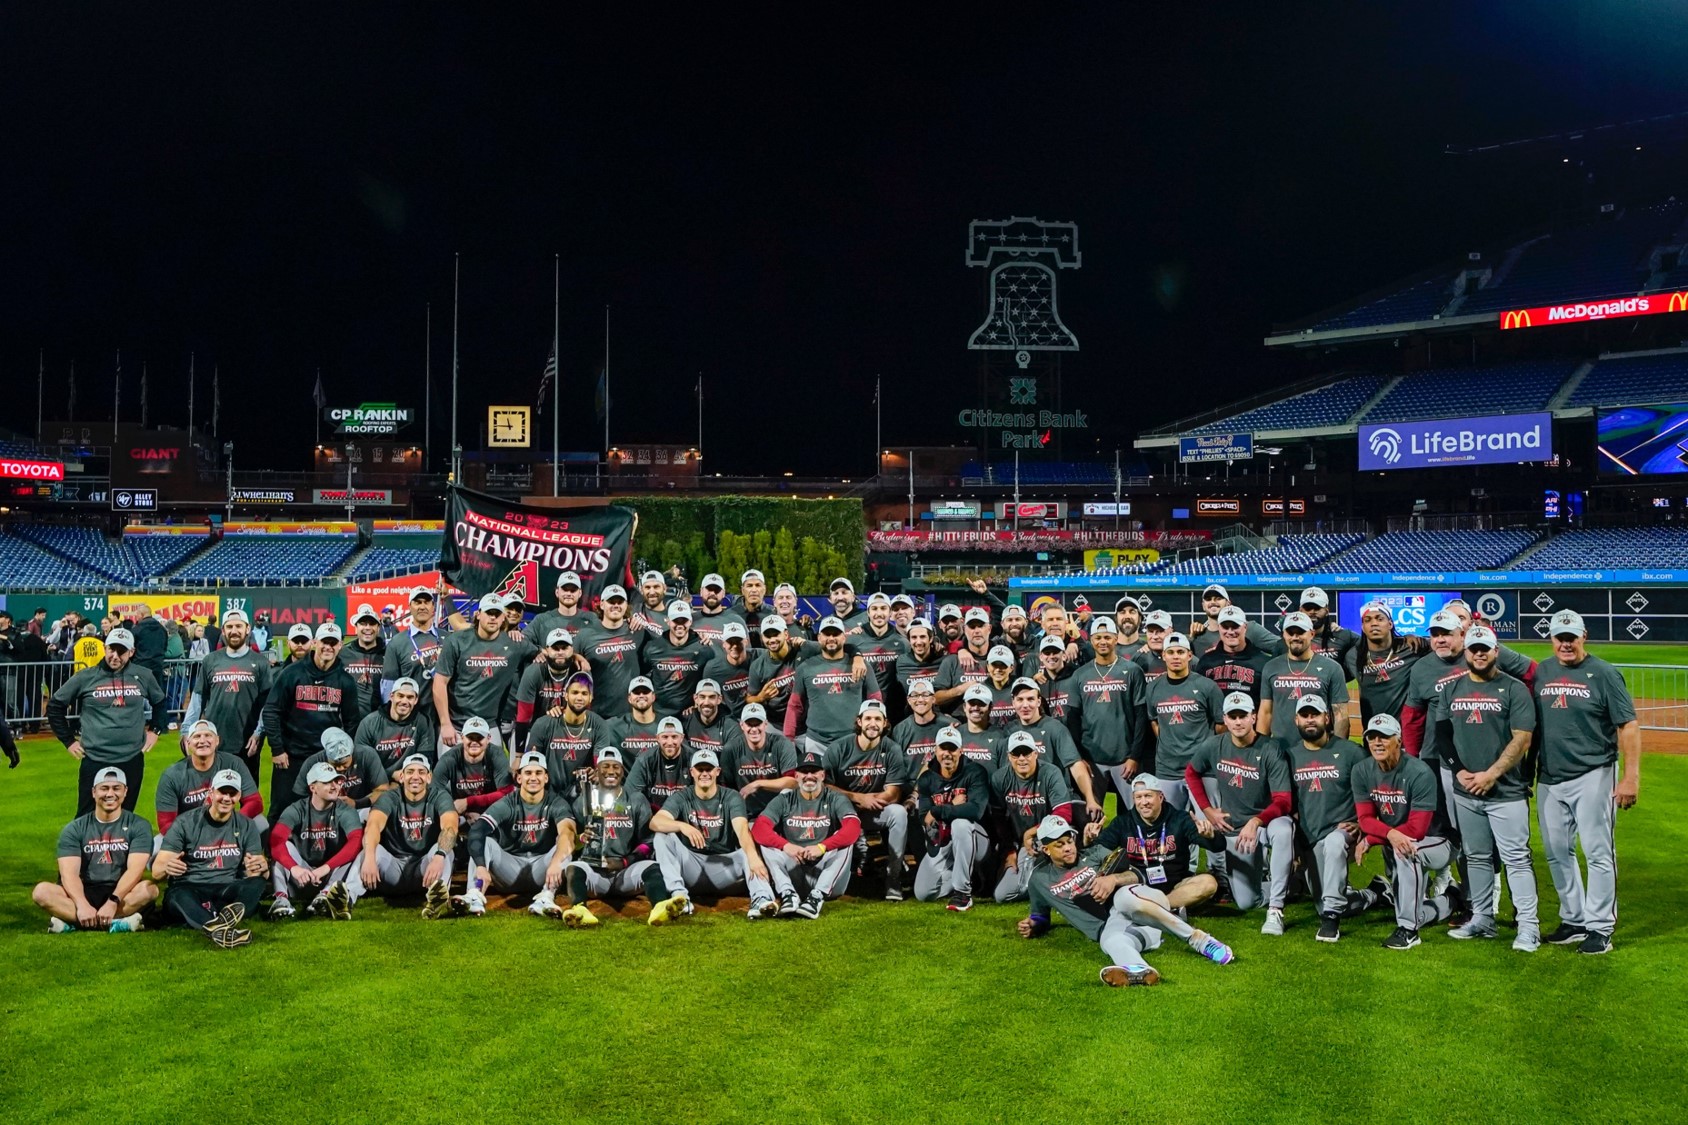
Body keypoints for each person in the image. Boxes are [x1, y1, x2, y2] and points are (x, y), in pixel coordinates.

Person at [1019, 814, 1234, 988]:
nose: (1068, 847)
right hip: (1123, 927)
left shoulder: (1095, 853)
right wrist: (1033, 925)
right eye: (1060, 844)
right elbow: (1040, 915)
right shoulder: (1039, 880)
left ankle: (1200, 941)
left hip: (1139, 899)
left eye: (1069, 841)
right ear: (1046, 849)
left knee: (1124, 899)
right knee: (1109, 941)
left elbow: (1139, 875)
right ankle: (1138, 969)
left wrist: (1113, 879)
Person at [1532, 609, 1641, 955]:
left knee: (1597, 852)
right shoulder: (1542, 671)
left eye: (1571, 637)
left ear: (1584, 637)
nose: (1566, 644)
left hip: (1594, 773)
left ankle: (1600, 927)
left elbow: (1628, 725)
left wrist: (1630, 777)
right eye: (1560, 637)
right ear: (1551, 639)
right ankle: (1574, 919)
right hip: (1549, 776)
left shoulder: (1605, 673)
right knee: (1556, 852)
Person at [1430, 625, 1540, 952]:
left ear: (1496, 652)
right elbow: (1442, 734)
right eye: (1473, 649)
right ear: (1466, 652)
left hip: (1506, 792)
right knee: (1476, 857)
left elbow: (1522, 738)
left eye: (1485, 649)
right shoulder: (1451, 689)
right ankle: (1482, 918)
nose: (1479, 654)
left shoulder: (1514, 689)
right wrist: (1461, 772)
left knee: (1517, 858)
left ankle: (1529, 927)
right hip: (1466, 791)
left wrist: (1491, 773)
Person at [1184, 692, 1294, 935]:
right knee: (1246, 901)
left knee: (1284, 830)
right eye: (1232, 716)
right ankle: (1289, 884)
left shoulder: (1270, 748)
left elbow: (1283, 802)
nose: (1237, 722)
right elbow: (1191, 772)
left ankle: (1276, 908)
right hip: (1236, 830)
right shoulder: (1215, 745)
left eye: (1243, 715)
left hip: (1267, 822)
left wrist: (1256, 821)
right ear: (1225, 718)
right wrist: (1207, 810)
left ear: (1253, 716)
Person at [1351, 714, 1464, 950]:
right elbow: (1365, 819)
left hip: (1439, 840)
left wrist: (1373, 838)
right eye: (1372, 737)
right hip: (1399, 838)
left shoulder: (1419, 772)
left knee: (1406, 850)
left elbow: (1417, 829)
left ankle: (1409, 932)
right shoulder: (1362, 770)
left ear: (1399, 740)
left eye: (1385, 737)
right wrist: (1387, 835)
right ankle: (1451, 899)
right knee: (1410, 908)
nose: (1377, 742)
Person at [1284, 695, 1379, 943]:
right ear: (1297, 720)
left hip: (1342, 833)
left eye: (1315, 714)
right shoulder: (1290, 756)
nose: (1310, 720)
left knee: (1335, 844)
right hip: (1311, 838)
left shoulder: (1351, 753)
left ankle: (1330, 921)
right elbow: (1288, 806)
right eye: (1304, 715)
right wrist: (1295, 846)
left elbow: (1374, 790)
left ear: (1327, 718)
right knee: (1322, 900)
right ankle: (1375, 894)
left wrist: (1362, 825)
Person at [644, 749, 775, 923]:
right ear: (692, 772)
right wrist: (682, 826)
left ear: (717, 771)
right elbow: (655, 822)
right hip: (693, 866)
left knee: (748, 847)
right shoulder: (682, 796)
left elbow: (741, 829)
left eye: (709, 769)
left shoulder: (731, 797)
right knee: (662, 837)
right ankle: (680, 897)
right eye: (700, 769)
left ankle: (762, 898)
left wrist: (753, 857)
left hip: (725, 866)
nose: (704, 773)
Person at [47, 627, 167, 815]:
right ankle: (83, 845)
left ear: (132, 652)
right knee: (87, 815)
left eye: (122, 651)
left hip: (132, 758)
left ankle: (120, 844)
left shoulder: (143, 675)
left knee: (126, 815)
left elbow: (160, 702)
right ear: (104, 648)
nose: (115, 656)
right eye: (112, 649)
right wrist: (68, 741)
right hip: (95, 758)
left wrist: (156, 730)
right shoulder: (86, 677)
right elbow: (55, 706)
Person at [262, 621, 367, 819]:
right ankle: (272, 850)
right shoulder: (292, 673)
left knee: (323, 811)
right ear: (315, 642)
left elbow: (352, 722)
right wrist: (277, 749)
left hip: (325, 757)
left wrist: (344, 754)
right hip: (291, 758)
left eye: (333, 642)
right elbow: (271, 711)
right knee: (281, 810)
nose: (328, 647)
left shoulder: (345, 680)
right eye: (324, 642)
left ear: (339, 646)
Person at [152, 769, 268, 949]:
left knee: (257, 884)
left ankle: (215, 924)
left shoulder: (246, 825)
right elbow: (156, 870)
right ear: (211, 793)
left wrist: (263, 868)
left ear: (239, 796)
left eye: (233, 793)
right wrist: (168, 867)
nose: (227, 798)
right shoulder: (185, 822)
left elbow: (255, 871)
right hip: (190, 887)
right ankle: (219, 927)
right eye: (222, 792)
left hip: (226, 887)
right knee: (178, 896)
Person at [33, 767, 158, 933]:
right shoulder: (74, 828)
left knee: (150, 890)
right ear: (93, 792)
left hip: (120, 892)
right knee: (41, 892)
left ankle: (73, 924)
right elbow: (69, 874)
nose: (110, 794)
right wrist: (82, 905)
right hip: (85, 890)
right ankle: (117, 924)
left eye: (116, 788)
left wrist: (113, 901)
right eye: (104, 788)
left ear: (125, 791)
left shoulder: (139, 825)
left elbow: (136, 870)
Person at [455, 751, 573, 918]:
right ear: (519, 778)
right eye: (528, 773)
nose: (533, 778)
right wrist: (481, 866)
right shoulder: (507, 803)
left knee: (564, 843)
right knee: (486, 842)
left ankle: (546, 897)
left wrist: (555, 861)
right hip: (508, 870)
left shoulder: (556, 802)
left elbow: (568, 833)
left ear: (546, 778)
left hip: (543, 870)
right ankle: (474, 893)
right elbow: (477, 830)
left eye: (538, 773)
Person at [751, 750, 860, 917]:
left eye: (814, 771)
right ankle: (788, 894)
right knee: (767, 842)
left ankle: (817, 897)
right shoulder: (785, 799)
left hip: (827, 875)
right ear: (796, 776)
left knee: (845, 839)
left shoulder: (835, 798)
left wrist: (823, 847)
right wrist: (786, 845)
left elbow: (853, 828)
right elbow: (759, 828)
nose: (809, 776)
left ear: (822, 775)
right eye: (804, 771)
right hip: (795, 870)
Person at [1086, 776, 1218, 910]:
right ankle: (1168, 910)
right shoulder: (1123, 822)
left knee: (1208, 883)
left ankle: (1156, 909)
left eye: (1148, 796)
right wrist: (1089, 840)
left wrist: (1210, 836)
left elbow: (1218, 846)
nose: (1144, 802)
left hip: (1175, 884)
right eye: (1139, 797)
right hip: (1137, 883)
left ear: (1160, 797)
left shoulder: (1179, 819)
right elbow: (1096, 852)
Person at [557, 748, 656, 927]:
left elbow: (647, 843)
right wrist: (581, 839)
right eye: (605, 766)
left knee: (653, 868)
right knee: (573, 868)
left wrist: (626, 862)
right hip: (595, 874)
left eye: (616, 767)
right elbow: (573, 842)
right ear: (596, 770)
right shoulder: (583, 801)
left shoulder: (636, 800)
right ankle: (579, 909)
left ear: (622, 771)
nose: (611, 771)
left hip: (626, 873)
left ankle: (660, 907)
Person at [353, 754, 459, 919]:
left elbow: (450, 827)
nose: (415, 777)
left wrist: (439, 857)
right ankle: (346, 897)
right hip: (392, 869)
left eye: (421, 772)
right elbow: (373, 825)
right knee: (369, 850)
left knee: (445, 852)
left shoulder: (440, 796)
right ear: (401, 777)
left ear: (429, 777)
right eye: (410, 772)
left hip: (425, 871)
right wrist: (369, 857)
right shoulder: (389, 797)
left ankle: (436, 901)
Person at [823, 700, 910, 899]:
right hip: (843, 810)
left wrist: (872, 801)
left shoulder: (892, 749)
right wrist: (858, 798)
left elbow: (894, 793)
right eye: (868, 718)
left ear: (885, 723)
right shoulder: (839, 748)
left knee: (899, 813)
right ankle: (831, 876)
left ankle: (893, 877)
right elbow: (824, 786)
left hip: (875, 808)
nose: (873, 723)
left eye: (878, 719)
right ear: (859, 721)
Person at [433, 593, 533, 752]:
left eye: (497, 614)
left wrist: (576, 657)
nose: (493, 618)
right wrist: (445, 724)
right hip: (457, 727)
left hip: (490, 726)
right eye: (489, 613)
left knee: (492, 776)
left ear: (503, 618)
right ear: (478, 614)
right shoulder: (457, 640)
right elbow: (440, 682)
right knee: (451, 775)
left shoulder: (514, 643)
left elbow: (546, 653)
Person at [989, 728, 1077, 902]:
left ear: (1035, 753)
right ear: (1009, 756)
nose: (1022, 758)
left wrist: (1032, 832)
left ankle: (1063, 882)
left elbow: (1063, 814)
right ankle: (1050, 886)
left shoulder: (1050, 773)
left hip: (1052, 837)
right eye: (1016, 754)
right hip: (1023, 844)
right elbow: (998, 820)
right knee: (1002, 895)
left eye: (1026, 753)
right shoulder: (1000, 778)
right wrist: (1009, 850)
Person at [1066, 616, 1149, 800]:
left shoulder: (1133, 670)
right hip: (1092, 758)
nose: (1102, 642)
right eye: (1098, 637)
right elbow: (1073, 719)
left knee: (1132, 815)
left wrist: (1134, 756)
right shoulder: (1080, 674)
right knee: (1091, 816)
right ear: (1091, 640)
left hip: (1125, 758)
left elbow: (1141, 716)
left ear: (1115, 638)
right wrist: (1081, 758)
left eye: (1107, 637)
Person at [912, 724, 993, 911]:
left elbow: (975, 811)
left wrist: (939, 811)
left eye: (952, 748)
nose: (947, 754)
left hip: (977, 839)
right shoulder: (926, 778)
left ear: (961, 751)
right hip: (944, 839)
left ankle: (963, 893)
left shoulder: (975, 772)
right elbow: (924, 818)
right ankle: (965, 875)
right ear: (935, 750)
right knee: (924, 893)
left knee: (961, 824)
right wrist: (951, 806)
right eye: (943, 748)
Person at [269, 762, 363, 921]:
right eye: (327, 782)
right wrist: (294, 868)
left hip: (331, 873)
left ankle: (326, 896)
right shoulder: (296, 809)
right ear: (313, 788)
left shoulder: (345, 810)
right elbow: (276, 841)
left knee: (360, 853)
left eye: (336, 781)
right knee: (283, 848)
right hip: (303, 874)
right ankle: (281, 900)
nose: (334, 786)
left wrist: (325, 868)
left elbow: (355, 842)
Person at [1143, 632, 1224, 815]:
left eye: (1180, 652)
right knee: (1171, 826)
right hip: (1167, 769)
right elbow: (1154, 722)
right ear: (1164, 655)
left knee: (1211, 825)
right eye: (1171, 652)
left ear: (1189, 655)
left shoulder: (1207, 686)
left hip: (1202, 769)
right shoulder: (1153, 687)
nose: (1176, 657)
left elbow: (1221, 726)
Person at [183, 608, 272, 769]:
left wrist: (259, 733)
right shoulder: (211, 660)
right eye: (229, 627)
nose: (234, 631)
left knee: (246, 792)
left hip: (247, 741)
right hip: (214, 740)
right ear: (223, 631)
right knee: (213, 791)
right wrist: (186, 729)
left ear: (247, 629)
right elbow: (198, 698)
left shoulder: (260, 662)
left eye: (239, 626)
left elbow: (266, 705)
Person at [786, 616, 881, 755]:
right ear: (819, 638)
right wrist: (788, 738)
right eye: (826, 634)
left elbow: (876, 701)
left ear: (844, 637)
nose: (831, 638)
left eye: (835, 634)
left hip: (854, 739)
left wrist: (873, 733)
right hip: (816, 742)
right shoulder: (805, 667)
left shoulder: (861, 665)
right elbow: (795, 705)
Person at [153, 719, 265, 836]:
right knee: (156, 848)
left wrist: (232, 823)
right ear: (188, 743)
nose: (202, 740)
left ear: (217, 741)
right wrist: (193, 838)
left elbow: (255, 802)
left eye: (208, 735)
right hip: (189, 832)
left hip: (225, 825)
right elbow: (166, 823)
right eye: (197, 736)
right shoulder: (172, 775)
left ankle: (249, 852)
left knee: (261, 823)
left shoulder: (234, 764)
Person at [1257, 612, 1351, 742]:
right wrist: (1261, 747)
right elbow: (1266, 712)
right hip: (1279, 749)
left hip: (1318, 749)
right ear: (1284, 635)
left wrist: (1338, 750)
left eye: (1301, 632)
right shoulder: (1271, 667)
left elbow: (1340, 714)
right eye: (1290, 633)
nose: (1295, 637)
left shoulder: (1332, 668)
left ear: (1311, 634)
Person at [526, 669, 612, 800]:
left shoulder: (599, 725)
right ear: (565, 696)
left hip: (582, 794)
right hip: (548, 794)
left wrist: (596, 773)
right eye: (575, 692)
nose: (579, 697)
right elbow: (531, 764)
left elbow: (600, 765)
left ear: (591, 697)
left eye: (584, 693)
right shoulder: (544, 724)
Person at [571, 584, 644, 718]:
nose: (616, 605)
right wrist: (575, 656)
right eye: (611, 601)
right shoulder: (585, 635)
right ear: (602, 604)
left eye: (620, 602)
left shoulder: (637, 630)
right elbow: (568, 662)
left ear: (626, 605)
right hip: (597, 714)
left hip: (631, 715)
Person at [290, 725, 391, 815]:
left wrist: (356, 803)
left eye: (344, 764)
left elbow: (382, 790)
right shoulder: (313, 763)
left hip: (361, 808)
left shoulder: (367, 755)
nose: (340, 769)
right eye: (335, 765)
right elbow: (300, 798)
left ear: (352, 753)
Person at [1355, 600, 1425, 725]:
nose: (1374, 623)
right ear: (1362, 628)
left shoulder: (1411, 647)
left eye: (1379, 619)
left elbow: (1444, 646)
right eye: (1368, 620)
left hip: (1406, 736)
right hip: (1373, 736)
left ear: (1390, 624)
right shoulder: (1354, 655)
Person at [513, 627, 584, 749]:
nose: (560, 652)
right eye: (555, 648)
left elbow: (586, 712)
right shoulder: (534, 672)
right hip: (533, 731)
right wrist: (519, 755)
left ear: (572, 649)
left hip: (568, 730)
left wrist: (563, 711)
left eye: (564, 648)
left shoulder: (579, 672)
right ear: (546, 650)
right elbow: (523, 717)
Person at [354, 676, 437, 773]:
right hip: (377, 781)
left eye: (410, 697)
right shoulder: (369, 723)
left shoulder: (423, 722)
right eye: (400, 696)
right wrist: (390, 775)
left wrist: (404, 777)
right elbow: (361, 763)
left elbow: (425, 760)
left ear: (416, 700)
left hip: (409, 779)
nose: (404, 701)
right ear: (391, 696)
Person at [433, 715, 515, 815]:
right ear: (462, 738)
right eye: (470, 737)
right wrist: (450, 810)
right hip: (459, 812)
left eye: (479, 737)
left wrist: (469, 802)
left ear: (488, 739)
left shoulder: (496, 755)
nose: (474, 742)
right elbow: (434, 791)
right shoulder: (449, 759)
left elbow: (507, 793)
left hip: (491, 812)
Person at [641, 601, 711, 716]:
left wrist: (699, 703)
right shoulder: (652, 648)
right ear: (667, 621)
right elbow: (642, 675)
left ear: (690, 621)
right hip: (659, 713)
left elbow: (709, 680)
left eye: (684, 620)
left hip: (691, 714)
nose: (680, 625)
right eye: (675, 620)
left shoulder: (704, 649)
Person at [1195, 605, 1274, 704]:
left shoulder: (1262, 662)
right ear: (1219, 628)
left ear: (1245, 627)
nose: (1230, 632)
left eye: (1235, 626)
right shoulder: (1206, 661)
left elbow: (1268, 705)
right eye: (1225, 627)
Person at [733, 702, 798, 819]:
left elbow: (793, 782)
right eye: (749, 724)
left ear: (766, 724)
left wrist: (758, 784)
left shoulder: (782, 744)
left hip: (778, 811)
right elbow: (725, 786)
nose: (754, 729)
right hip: (746, 812)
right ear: (742, 725)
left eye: (758, 724)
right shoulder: (732, 748)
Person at [381, 586, 444, 701]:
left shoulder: (447, 638)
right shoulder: (397, 643)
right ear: (409, 607)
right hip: (412, 715)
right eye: (417, 602)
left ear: (433, 607)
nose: (422, 607)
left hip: (444, 714)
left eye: (426, 602)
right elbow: (389, 688)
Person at [1187, 584, 1281, 657]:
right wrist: (1191, 638)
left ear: (1228, 603)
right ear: (1203, 605)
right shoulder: (1197, 635)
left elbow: (1282, 646)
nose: (1213, 602)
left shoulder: (1249, 628)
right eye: (1208, 599)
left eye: (1218, 598)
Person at [932, 607, 994, 713]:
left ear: (989, 628)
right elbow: (935, 698)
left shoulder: (1002, 659)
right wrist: (959, 690)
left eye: (981, 626)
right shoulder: (951, 661)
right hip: (958, 723)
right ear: (964, 629)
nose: (977, 631)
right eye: (972, 627)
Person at [625, 716, 691, 809]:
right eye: (665, 737)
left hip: (684, 815)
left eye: (674, 737)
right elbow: (628, 794)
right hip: (653, 817)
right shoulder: (645, 759)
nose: (669, 742)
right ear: (657, 738)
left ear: (682, 738)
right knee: (636, 798)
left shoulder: (693, 759)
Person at [339, 603, 388, 713]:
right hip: (349, 720)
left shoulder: (388, 653)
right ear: (356, 628)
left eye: (372, 624)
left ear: (378, 628)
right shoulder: (342, 653)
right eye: (363, 624)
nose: (367, 628)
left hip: (380, 719)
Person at [607, 676, 663, 759]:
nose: (641, 695)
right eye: (636, 692)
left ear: (653, 697)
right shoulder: (614, 726)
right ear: (629, 698)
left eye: (645, 692)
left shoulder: (664, 725)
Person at [529, 571, 589, 648]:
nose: (568, 594)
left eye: (573, 590)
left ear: (580, 593)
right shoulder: (541, 620)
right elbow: (522, 640)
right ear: (557, 592)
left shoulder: (590, 618)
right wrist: (537, 651)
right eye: (565, 589)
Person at [690, 572, 744, 646]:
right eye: (709, 589)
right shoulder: (689, 620)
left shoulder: (736, 621)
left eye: (717, 590)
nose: (712, 593)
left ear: (724, 593)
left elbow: (745, 652)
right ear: (701, 591)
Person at [632, 570, 672, 638]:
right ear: (641, 590)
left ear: (664, 589)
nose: (652, 592)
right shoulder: (631, 610)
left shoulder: (672, 618)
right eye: (647, 587)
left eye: (656, 587)